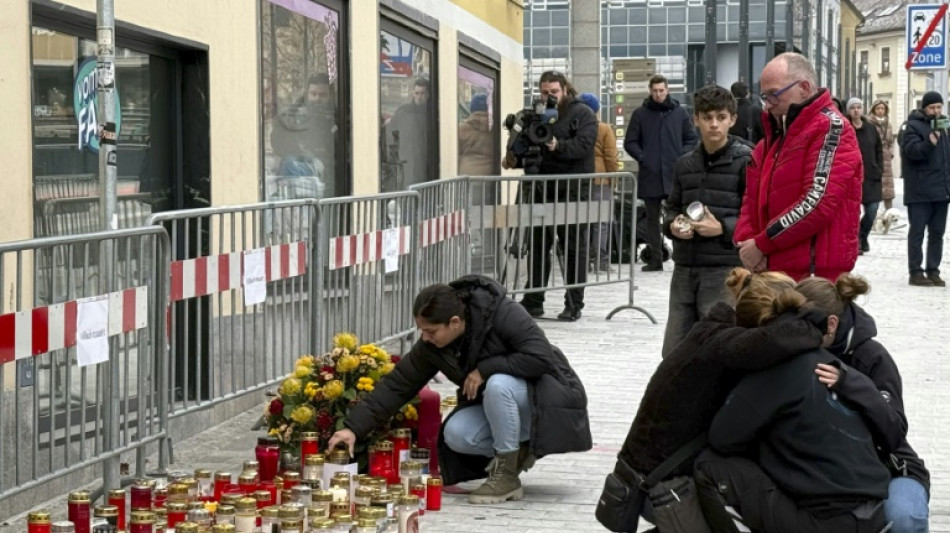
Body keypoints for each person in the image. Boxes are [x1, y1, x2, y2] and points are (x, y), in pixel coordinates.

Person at [326, 275, 592, 504]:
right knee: (457, 434)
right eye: (422, 331)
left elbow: (541, 358)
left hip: (548, 398)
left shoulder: (503, 313)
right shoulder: (433, 346)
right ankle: (520, 449)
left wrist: (486, 369)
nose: (425, 338)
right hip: (504, 406)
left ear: (454, 322)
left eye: (430, 331)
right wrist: (353, 428)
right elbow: (398, 385)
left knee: (499, 384)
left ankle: (506, 476)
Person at [615, 268, 825, 529]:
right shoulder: (722, 342)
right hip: (660, 485)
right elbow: (779, 341)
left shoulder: (716, 330)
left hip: (652, 472)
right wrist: (816, 322)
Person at [693, 275, 891, 533]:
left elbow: (722, 438)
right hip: (873, 511)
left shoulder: (772, 367)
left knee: (709, 465)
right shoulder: (828, 360)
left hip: (825, 521)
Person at [796, 274, 930, 533]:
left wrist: (850, 383)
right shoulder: (796, 352)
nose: (795, 331)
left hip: (890, 467)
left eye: (804, 324)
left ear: (831, 324)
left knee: (902, 518)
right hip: (829, 471)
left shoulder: (872, 357)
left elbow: (894, 430)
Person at [733, 52, 863, 281]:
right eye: (764, 96)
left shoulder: (831, 129)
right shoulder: (772, 139)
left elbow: (816, 202)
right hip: (772, 269)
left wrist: (762, 244)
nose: (767, 105)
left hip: (813, 275)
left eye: (774, 95)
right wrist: (748, 244)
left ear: (803, 87)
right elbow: (750, 198)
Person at [660, 85, 751, 358]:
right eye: (708, 117)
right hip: (685, 266)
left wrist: (723, 227)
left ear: (732, 120)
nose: (714, 124)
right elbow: (671, 207)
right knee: (674, 352)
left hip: (724, 268)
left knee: (717, 349)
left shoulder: (747, 160)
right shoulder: (684, 163)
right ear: (696, 119)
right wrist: (672, 226)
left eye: (721, 117)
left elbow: (755, 216)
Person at [507, 71, 598, 321]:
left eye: (554, 92)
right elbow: (528, 146)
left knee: (572, 247)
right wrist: (514, 154)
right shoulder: (536, 113)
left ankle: (574, 302)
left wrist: (559, 146)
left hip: (572, 190)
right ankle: (534, 299)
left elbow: (584, 146)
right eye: (545, 92)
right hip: (540, 187)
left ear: (565, 90)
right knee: (537, 245)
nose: (549, 97)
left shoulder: (582, 113)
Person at [624, 74, 699, 272]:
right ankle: (656, 259)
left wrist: (682, 157)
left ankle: (682, 257)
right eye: (655, 91)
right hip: (651, 173)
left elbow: (691, 139)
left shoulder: (679, 113)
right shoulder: (640, 114)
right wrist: (644, 157)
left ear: (667, 90)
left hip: (675, 173)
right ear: (650, 91)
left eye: (661, 90)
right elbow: (630, 142)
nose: (658, 94)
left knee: (680, 216)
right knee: (652, 218)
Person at [899, 90, 950, 287]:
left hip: (941, 190)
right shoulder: (912, 126)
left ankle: (933, 269)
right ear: (924, 108)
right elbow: (911, 152)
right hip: (919, 191)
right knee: (918, 232)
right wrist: (930, 142)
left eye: (939, 107)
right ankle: (916, 271)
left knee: (937, 233)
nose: (936, 111)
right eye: (932, 107)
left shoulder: (944, 126)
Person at [578, 92, 619, 273]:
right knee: (601, 222)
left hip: (580, 180)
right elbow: (611, 157)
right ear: (597, 110)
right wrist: (613, 179)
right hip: (601, 179)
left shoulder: (576, 127)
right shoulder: (603, 129)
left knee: (583, 222)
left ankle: (584, 261)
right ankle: (601, 262)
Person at [847, 97, 884, 255]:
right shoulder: (845, 128)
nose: (856, 110)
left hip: (871, 176)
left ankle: (862, 236)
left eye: (859, 107)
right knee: (854, 214)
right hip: (852, 178)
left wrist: (879, 168)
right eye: (853, 107)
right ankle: (856, 243)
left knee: (872, 210)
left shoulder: (870, 128)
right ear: (848, 111)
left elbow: (879, 150)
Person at [385, 77, 431, 191]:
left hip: (425, 163)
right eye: (417, 93)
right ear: (412, 94)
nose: (419, 97)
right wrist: (394, 158)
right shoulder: (403, 113)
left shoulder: (431, 114)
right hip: (406, 162)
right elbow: (391, 136)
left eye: (422, 93)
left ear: (428, 94)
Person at [458, 93, 495, 176]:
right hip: (489, 175)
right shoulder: (494, 130)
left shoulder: (462, 129)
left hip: (465, 175)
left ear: (472, 109)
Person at [870, 100, 897, 211]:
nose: (880, 111)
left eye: (882, 108)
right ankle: (874, 215)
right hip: (875, 157)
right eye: (878, 108)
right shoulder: (870, 123)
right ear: (874, 110)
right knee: (875, 188)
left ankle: (889, 213)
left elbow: (891, 142)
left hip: (886, 158)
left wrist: (890, 152)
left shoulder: (888, 124)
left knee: (888, 189)